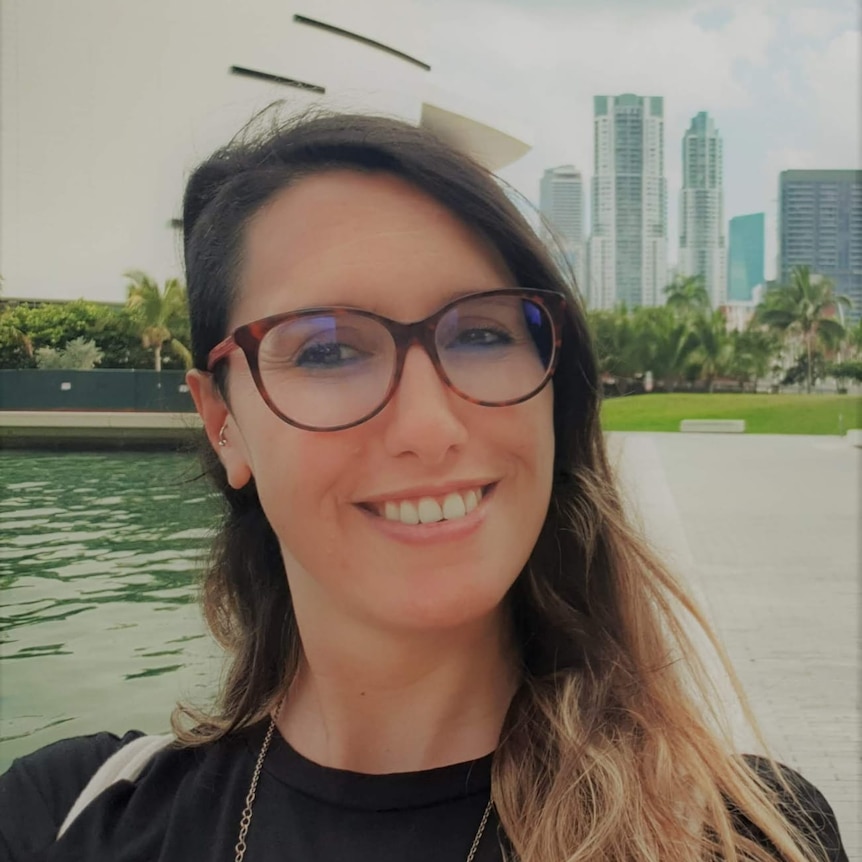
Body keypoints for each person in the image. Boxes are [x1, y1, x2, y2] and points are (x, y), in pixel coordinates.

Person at [0, 108, 848, 862]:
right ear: (223, 420)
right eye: (327, 348)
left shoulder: (742, 834)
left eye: (481, 333)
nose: (429, 426)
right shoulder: (66, 818)